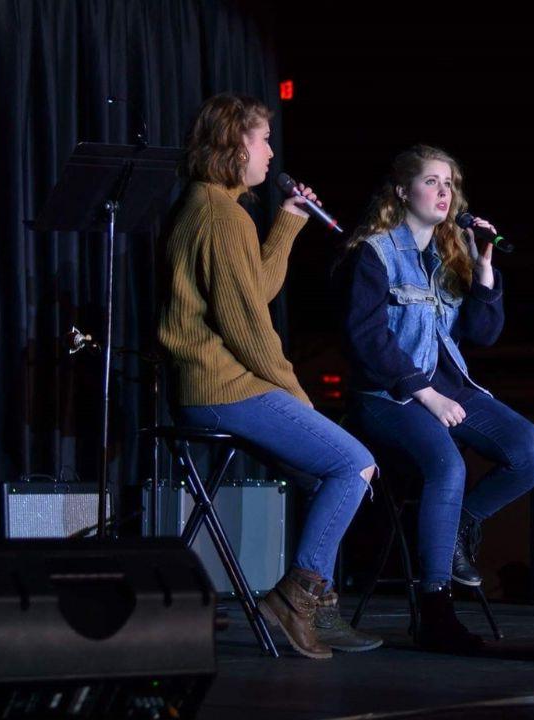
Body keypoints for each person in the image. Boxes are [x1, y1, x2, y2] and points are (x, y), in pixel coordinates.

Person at [158, 92, 381, 658]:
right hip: (224, 389)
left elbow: (252, 291)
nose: (270, 151)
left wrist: (287, 222)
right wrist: (295, 391)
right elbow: (249, 329)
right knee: (353, 464)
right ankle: (295, 599)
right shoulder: (220, 216)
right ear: (234, 145)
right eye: (261, 139)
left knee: (322, 478)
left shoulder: (213, 206)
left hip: (218, 386)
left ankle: (316, 602)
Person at [340, 145, 534, 651]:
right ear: (401, 191)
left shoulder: (448, 252)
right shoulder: (374, 251)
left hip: (450, 388)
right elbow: (367, 341)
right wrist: (425, 394)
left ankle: (457, 527)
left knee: (531, 452)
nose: (443, 192)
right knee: (448, 466)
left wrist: (484, 267)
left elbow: (483, 333)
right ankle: (435, 610)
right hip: (388, 395)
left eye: (449, 184)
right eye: (432, 181)